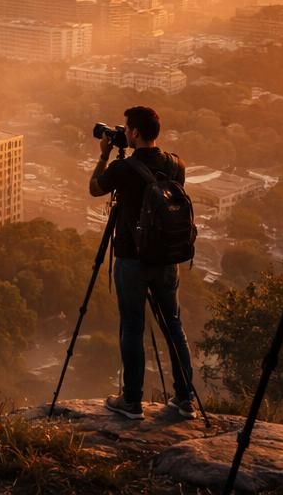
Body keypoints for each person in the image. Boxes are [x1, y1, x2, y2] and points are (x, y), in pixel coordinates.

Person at [88, 105, 198, 420]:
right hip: (167, 259)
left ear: (134, 132)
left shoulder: (125, 169)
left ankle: (132, 401)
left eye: (126, 128)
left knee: (132, 327)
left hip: (131, 260)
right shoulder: (177, 164)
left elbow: (95, 188)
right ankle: (184, 397)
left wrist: (104, 155)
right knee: (173, 325)